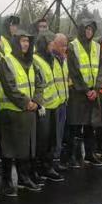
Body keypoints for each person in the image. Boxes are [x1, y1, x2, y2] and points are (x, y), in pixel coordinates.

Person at [0, 28, 46, 196]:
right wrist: (27, 103)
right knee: (9, 148)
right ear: (15, 43)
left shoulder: (31, 61)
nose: (25, 44)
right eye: (22, 41)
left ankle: (23, 178)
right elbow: (9, 87)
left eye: (27, 41)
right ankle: (6, 181)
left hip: (29, 110)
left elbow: (39, 83)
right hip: (12, 112)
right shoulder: (7, 61)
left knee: (26, 147)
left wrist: (37, 101)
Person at [67, 19, 102, 168]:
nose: (89, 32)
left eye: (91, 29)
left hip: (93, 93)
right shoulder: (73, 46)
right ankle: (75, 156)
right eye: (86, 29)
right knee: (76, 126)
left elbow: (100, 69)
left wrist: (96, 89)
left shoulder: (97, 46)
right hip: (78, 92)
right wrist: (86, 90)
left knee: (91, 125)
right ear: (81, 30)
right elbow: (74, 71)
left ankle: (90, 154)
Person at [32, 31, 65, 183]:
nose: (52, 45)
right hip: (43, 107)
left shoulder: (52, 59)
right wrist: (39, 104)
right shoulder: (36, 60)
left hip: (55, 104)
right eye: (50, 43)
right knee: (42, 140)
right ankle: (40, 168)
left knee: (52, 139)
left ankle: (48, 166)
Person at [50, 33, 71, 169]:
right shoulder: (51, 59)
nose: (64, 48)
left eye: (66, 45)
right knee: (54, 134)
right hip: (53, 103)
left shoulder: (64, 59)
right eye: (62, 45)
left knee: (60, 133)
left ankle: (56, 160)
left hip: (63, 102)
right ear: (54, 44)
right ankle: (52, 161)